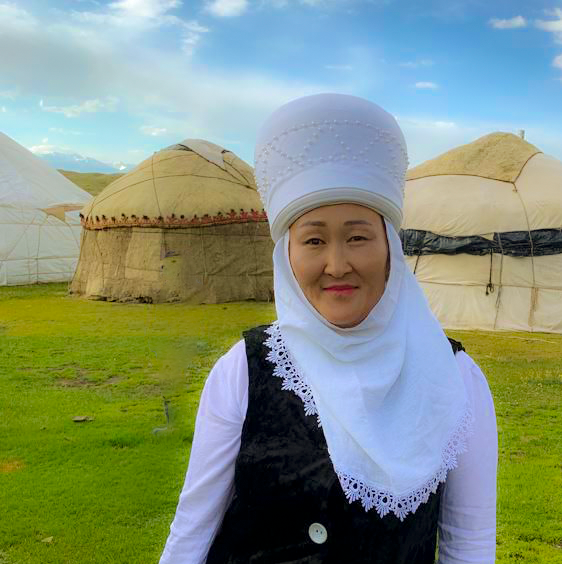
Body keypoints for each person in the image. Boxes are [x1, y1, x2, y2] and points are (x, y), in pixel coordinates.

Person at [159, 94, 497, 563]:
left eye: (358, 237)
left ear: (389, 249)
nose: (337, 265)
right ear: (287, 254)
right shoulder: (244, 371)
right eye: (314, 240)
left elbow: (469, 545)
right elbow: (192, 532)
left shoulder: (455, 379)